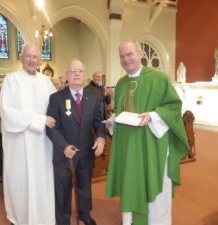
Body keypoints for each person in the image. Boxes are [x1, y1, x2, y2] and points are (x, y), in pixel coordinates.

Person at [104, 41, 190, 225]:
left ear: (140, 53)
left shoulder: (159, 78)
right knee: (132, 184)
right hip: (129, 148)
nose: (126, 59)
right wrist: (112, 120)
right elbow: (121, 110)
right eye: (122, 56)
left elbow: (174, 107)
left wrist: (153, 115)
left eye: (129, 54)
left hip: (152, 147)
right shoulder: (120, 84)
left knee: (155, 192)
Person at [0, 44, 56, 225]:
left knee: (42, 181)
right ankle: (22, 219)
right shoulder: (11, 80)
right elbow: (6, 111)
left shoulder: (46, 82)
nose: (32, 60)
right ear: (21, 58)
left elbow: (56, 109)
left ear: (39, 59)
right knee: (21, 182)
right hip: (20, 144)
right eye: (28, 56)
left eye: (35, 57)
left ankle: (44, 218)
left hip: (42, 144)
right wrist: (38, 120)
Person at [46, 59, 106, 225]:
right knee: (63, 189)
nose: (77, 73)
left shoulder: (93, 97)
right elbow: (51, 127)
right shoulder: (56, 98)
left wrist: (101, 137)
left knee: (85, 186)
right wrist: (63, 146)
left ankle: (84, 215)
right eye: (73, 71)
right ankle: (63, 220)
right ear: (67, 76)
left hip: (86, 151)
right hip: (63, 152)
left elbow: (98, 122)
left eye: (80, 70)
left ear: (84, 75)